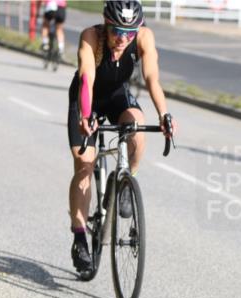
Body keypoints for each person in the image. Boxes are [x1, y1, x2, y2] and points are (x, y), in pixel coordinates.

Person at [67, 0, 175, 277]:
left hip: (117, 96)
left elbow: (152, 78)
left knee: (137, 129)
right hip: (87, 98)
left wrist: (164, 114)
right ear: (106, 23)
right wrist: (87, 115)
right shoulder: (91, 37)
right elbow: (87, 78)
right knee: (84, 166)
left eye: (129, 32)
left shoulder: (143, 37)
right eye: (117, 31)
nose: (122, 38)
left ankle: (125, 181)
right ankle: (80, 238)